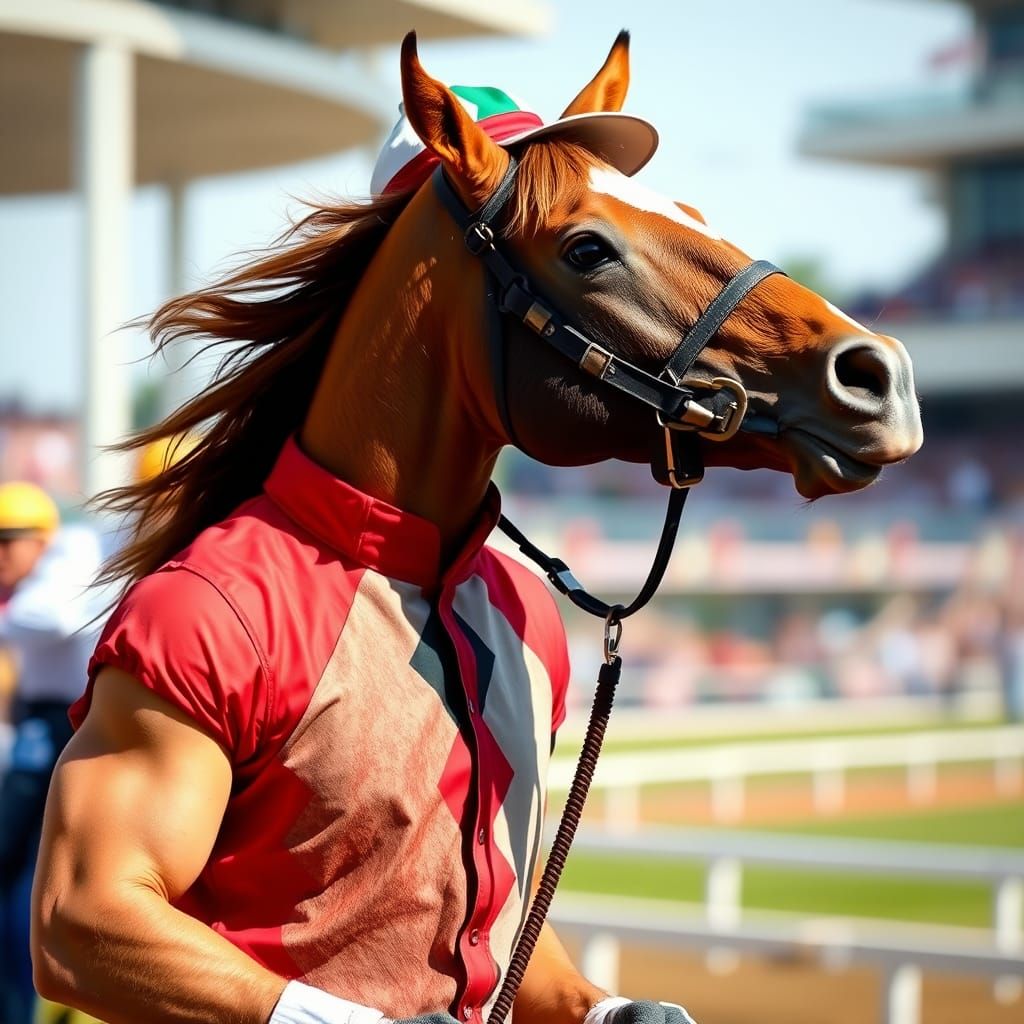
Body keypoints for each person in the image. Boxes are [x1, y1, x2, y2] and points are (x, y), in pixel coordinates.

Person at [31, 56, 696, 1024]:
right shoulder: (213, 605)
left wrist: (595, 1010)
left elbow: (486, 923)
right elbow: (81, 924)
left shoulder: (523, 611)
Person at [0, 483, 104, 1024]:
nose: (0, 556)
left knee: (23, 871)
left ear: (42, 542)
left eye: (8, 542)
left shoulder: (68, 563)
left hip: (61, 725)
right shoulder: (56, 568)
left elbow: (52, 620)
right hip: (54, 722)